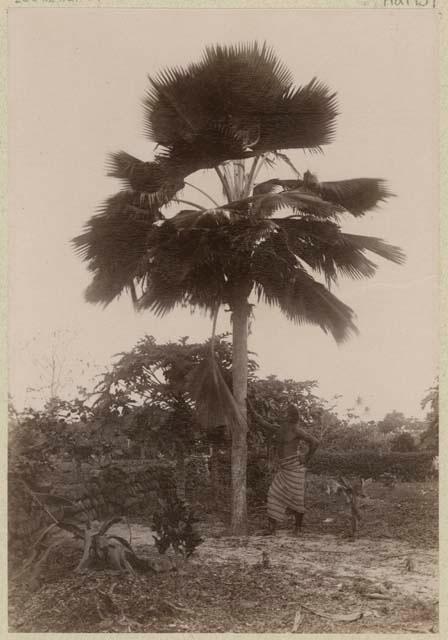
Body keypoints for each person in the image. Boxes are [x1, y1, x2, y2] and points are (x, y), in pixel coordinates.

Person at [249, 402, 320, 535]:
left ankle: (298, 529)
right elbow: (262, 422)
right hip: (284, 468)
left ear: (290, 416)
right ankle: (271, 529)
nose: (281, 414)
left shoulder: (296, 429)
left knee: (297, 498)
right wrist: (250, 407)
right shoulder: (279, 428)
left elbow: (315, 442)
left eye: (284, 412)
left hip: (294, 467)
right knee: (273, 493)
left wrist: (306, 457)